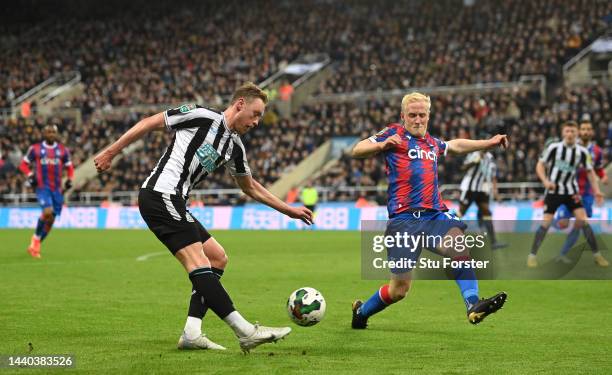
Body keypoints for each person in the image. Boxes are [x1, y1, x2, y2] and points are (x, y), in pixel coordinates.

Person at [94, 82, 313, 352]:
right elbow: (149, 122)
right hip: (160, 194)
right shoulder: (200, 116)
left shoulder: (235, 147)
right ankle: (245, 331)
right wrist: (111, 152)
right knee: (198, 262)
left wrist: (289, 209)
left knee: (217, 256)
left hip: (176, 201)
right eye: (255, 114)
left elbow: (250, 187)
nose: (257, 122)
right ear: (239, 104)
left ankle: (192, 332)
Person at [350, 92, 508, 329]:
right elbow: (357, 149)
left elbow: (455, 145)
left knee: (458, 245)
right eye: (412, 115)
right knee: (399, 290)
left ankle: (473, 304)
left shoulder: (432, 143)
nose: (417, 120)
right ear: (403, 116)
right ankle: (361, 313)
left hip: (434, 215)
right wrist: (382, 144)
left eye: (422, 115)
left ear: (428, 116)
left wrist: (488, 143)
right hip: (403, 221)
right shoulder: (393, 133)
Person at [528, 121, 607, 268]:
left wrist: (597, 191)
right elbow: (540, 164)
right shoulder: (554, 148)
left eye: (572, 131)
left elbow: (590, 172)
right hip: (553, 191)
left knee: (583, 221)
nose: (570, 134)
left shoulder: (582, 152)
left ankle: (597, 256)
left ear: (576, 134)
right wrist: (545, 181)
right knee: (546, 223)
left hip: (572, 191)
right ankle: (532, 256)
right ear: (562, 133)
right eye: (567, 131)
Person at [554, 117, 608, 263]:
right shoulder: (569, 148)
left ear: (592, 132)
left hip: (586, 195)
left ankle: (595, 255)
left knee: (581, 224)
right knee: (562, 223)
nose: (585, 132)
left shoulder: (596, 151)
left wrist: (602, 178)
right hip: (569, 192)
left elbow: (598, 169)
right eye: (583, 129)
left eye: (588, 129)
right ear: (578, 132)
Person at [19, 124, 74, 258]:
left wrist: (69, 179)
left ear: (56, 134)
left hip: (57, 189)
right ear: (44, 133)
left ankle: (34, 245)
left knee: (51, 220)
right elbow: (23, 165)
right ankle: (35, 242)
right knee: (47, 212)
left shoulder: (63, 150)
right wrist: (31, 175)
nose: (50, 134)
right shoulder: (36, 149)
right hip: (43, 187)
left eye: (53, 132)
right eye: (48, 132)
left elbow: (70, 167)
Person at [457, 150, 507, 249]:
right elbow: (462, 168)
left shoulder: (490, 157)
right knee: (460, 213)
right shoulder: (473, 154)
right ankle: (442, 234)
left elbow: (493, 177)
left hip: (482, 189)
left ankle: (493, 242)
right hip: (470, 188)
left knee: (487, 213)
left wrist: (495, 193)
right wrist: (474, 162)